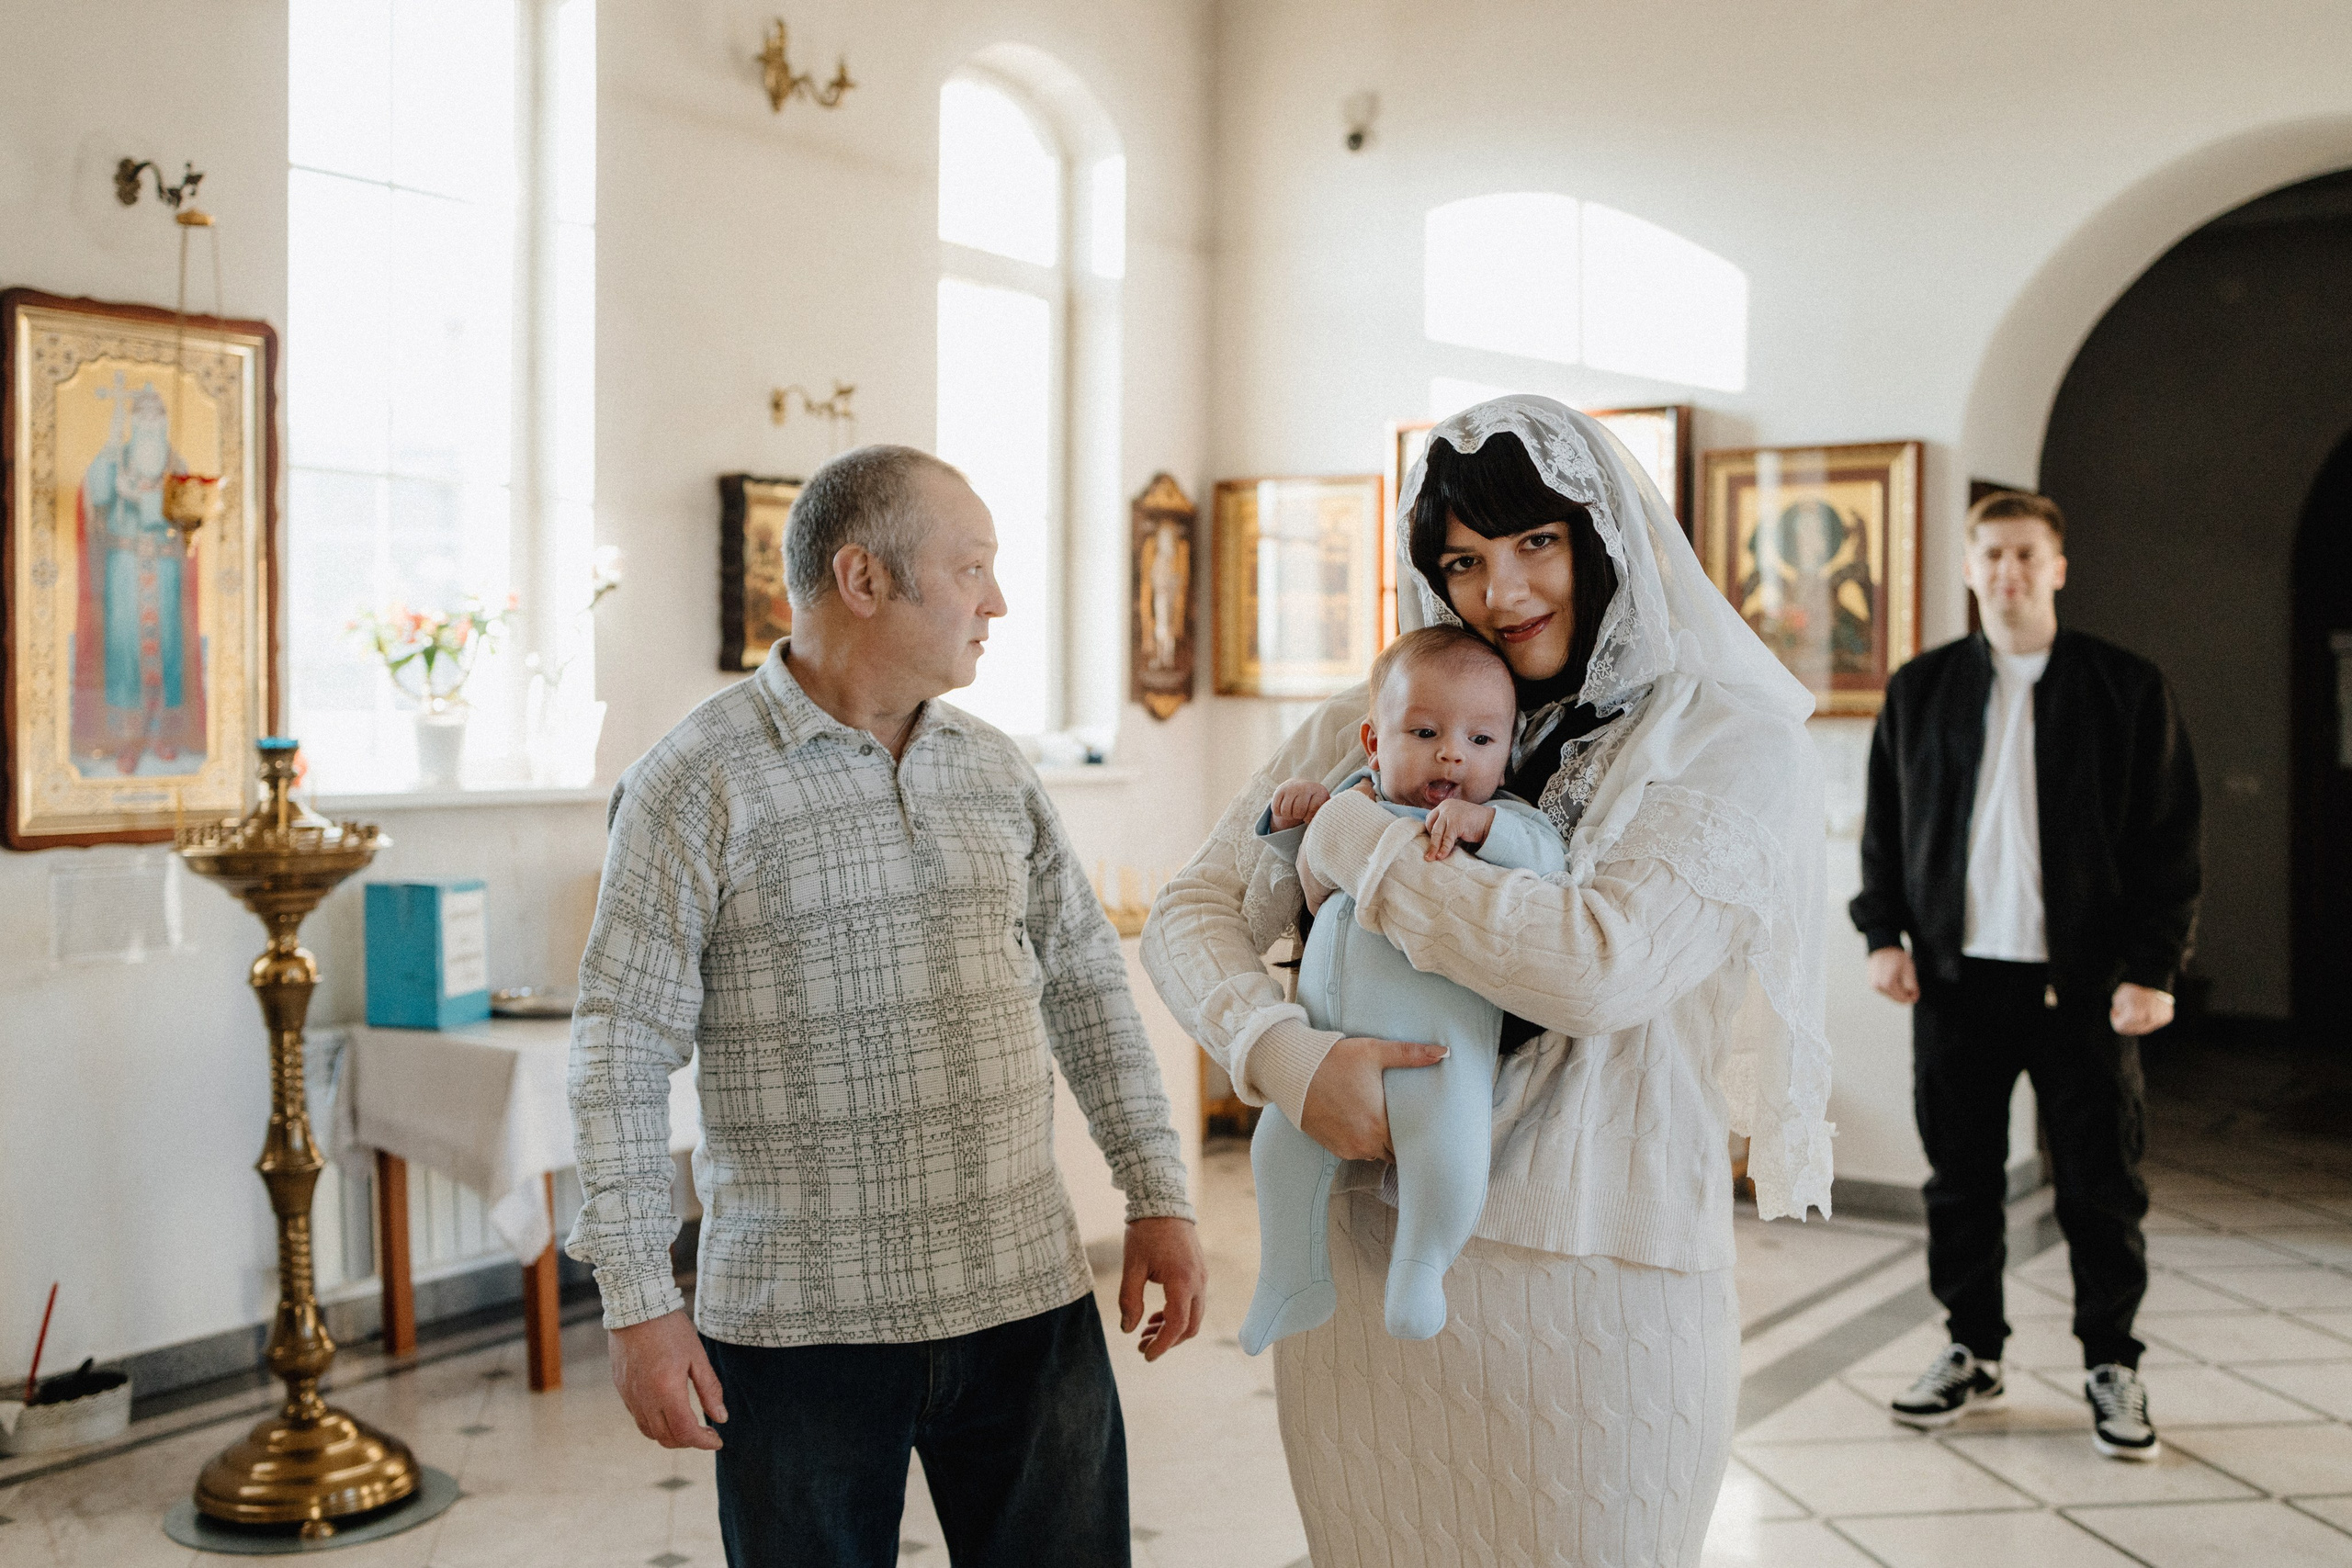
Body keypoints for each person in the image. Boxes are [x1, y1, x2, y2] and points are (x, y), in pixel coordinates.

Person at [1143, 396, 1832, 1567]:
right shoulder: (1379, 716)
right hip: (1367, 1279)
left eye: (1534, 545)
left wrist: (1357, 845)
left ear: (1602, 537)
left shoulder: (1730, 741)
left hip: (1597, 1287)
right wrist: (1279, 1055)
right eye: (1461, 561)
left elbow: (1596, 968)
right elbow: (1191, 907)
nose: (1499, 594)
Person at [566, 444, 1206, 1568]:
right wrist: (635, 1301)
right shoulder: (694, 782)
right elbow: (619, 1051)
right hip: (795, 1325)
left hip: (1024, 1295)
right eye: (971, 569)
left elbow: (1087, 985)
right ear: (862, 580)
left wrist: (1157, 1192)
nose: (996, 602)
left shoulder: (995, 770)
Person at [1851, 489, 2200, 1461]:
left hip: (2084, 989)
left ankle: (2111, 1364)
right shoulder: (1920, 691)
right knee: (1958, 1183)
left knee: (2099, 1184)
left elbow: (2170, 842)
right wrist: (1883, 934)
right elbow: (1885, 828)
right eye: (1990, 555)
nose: (2005, 572)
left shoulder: (2125, 689)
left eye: (2023, 555)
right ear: (1967, 568)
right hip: (1956, 987)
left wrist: (2152, 969)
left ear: (2056, 567)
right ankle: (1972, 1350)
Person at [1242, 625, 1566, 1352]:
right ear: (1374, 740)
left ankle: (1421, 1270)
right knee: (1276, 1149)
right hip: (1325, 1044)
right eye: (1424, 731)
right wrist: (1294, 816)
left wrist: (1483, 825)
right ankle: (1289, 1273)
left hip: (1438, 1054)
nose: (1454, 751)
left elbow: (1550, 860)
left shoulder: (1506, 821)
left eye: (1482, 740)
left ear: (1507, 751)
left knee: (1449, 1158)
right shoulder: (1352, 801)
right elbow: (1315, 889)